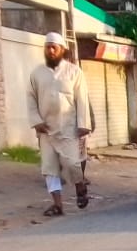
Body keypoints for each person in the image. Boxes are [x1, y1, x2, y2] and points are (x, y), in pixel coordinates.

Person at [28, 32, 95, 216]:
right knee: (49, 168)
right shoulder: (37, 73)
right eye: (47, 47)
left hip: (69, 127)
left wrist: (83, 124)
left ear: (62, 50)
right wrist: (36, 122)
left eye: (54, 47)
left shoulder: (74, 72)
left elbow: (82, 99)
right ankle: (57, 205)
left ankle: (80, 188)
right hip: (46, 129)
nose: (50, 50)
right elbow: (31, 99)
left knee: (73, 163)